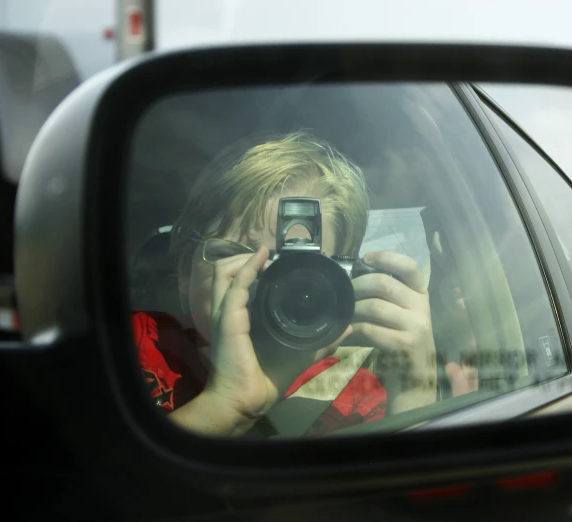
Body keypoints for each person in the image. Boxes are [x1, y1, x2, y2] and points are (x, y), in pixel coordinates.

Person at [133, 131, 437, 437]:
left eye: (301, 271)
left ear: (344, 283)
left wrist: (415, 392)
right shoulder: (126, 349)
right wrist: (225, 406)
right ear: (187, 269)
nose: (270, 283)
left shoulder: (358, 398)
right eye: (239, 256)